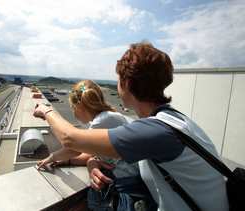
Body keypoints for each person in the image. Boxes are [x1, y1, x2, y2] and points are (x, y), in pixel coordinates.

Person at [33, 42, 229, 211]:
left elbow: (70, 139)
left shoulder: (155, 131)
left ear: (126, 83)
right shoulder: (171, 119)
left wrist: (46, 111)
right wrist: (93, 160)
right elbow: (100, 150)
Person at [36, 80, 156, 211]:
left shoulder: (103, 120)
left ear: (78, 106)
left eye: (73, 108)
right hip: (136, 186)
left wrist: (52, 157)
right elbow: (90, 153)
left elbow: (73, 146)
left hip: (130, 188)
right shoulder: (110, 117)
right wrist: (68, 160)